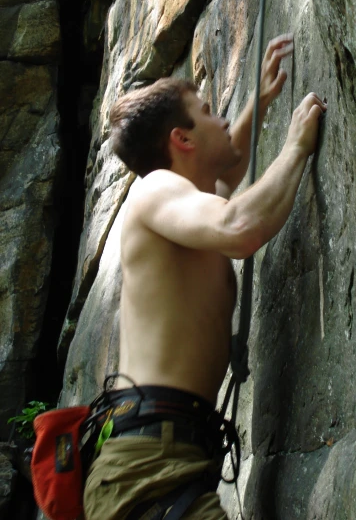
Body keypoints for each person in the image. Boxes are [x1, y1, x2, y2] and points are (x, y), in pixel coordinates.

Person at [83, 34, 326, 520]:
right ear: (183, 139)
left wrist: (258, 102)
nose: (221, 117)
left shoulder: (182, 203)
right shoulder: (154, 192)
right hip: (146, 470)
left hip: (162, 461)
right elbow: (239, 225)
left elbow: (221, 176)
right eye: (208, 110)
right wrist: (296, 146)